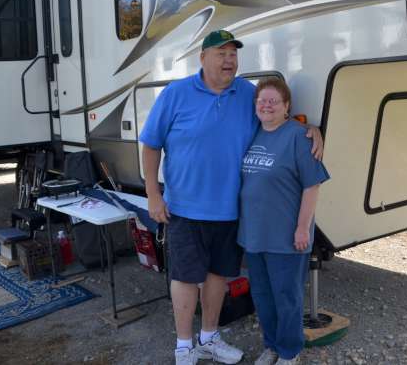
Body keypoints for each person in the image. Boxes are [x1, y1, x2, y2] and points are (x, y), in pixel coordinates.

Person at [139, 30, 323, 365]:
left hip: (229, 211)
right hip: (184, 207)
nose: (229, 60)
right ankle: (184, 345)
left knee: (217, 276)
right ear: (203, 58)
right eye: (221, 53)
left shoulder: (246, 94)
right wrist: (153, 193)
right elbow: (151, 144)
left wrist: (312, 129)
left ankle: (209, 337)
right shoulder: (176, 93)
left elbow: (275, 122)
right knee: (184, 276)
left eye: (233, 54)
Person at [238, 78, 330, 365]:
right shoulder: (253, 133)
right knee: (263, 297)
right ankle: (273, 346)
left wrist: (303, 227)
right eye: (261, 101)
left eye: (273, 101)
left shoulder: (299, 137)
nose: (266, 105)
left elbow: (311, 186)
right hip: (253, 235)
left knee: (286, 298)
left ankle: (290, 353)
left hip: (287, 236)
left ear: (286, 106)